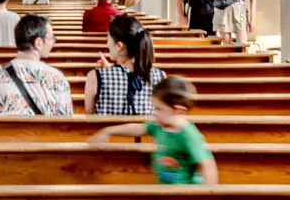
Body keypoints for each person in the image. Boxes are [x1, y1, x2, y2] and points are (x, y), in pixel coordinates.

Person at [88, 74, 218, 185]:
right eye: (154, 108)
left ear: (177, 110)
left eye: (159, 109)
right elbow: (138, 128)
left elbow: (207, 166)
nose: (154, 113)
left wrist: (209, 197)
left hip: (186, 195)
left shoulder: (187, 134)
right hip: (165, 191)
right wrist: (108, 131)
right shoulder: (159, 126)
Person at [0, 12, 73, 117]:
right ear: (38, 43)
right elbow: (65, 122)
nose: (53, 41)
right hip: (42, 133)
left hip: (2, 133)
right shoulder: (57, 79)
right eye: (51, 38)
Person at [83, 13, 163, 117]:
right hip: (146, 133)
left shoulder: (95, 77)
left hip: (109, 133)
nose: (107, 44)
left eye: (108, 39)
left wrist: (108, 72)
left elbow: (90, 117)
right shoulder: (160, 76)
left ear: (119, 46)